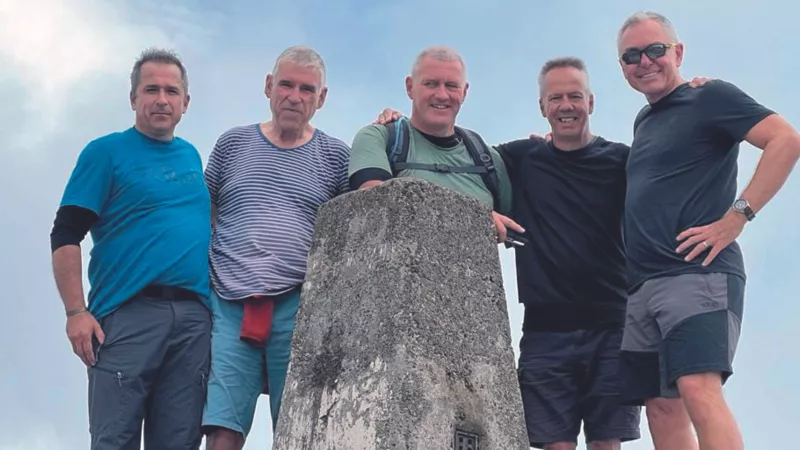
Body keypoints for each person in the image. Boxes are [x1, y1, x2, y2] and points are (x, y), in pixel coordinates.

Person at [616, 11, 800, 450]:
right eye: (631, 55)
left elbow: (786, 140)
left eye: (656, 50)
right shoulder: (645, 121)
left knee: (698, 387)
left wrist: (736, 217)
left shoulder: (710, 96)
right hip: (643, 285)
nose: (645, 61)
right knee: (661, 406)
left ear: (677, 52)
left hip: (697, 275)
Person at [50, 47, 212, 450]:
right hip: (126, 315)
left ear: (185, 103)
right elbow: (65, 233)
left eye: (172, 91)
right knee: (114, 439)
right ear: (133, 98)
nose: (162, 99)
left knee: (180, 440)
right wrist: (75, 312)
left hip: (193, 320)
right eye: (151, 89)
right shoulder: (105, 153)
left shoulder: (191, 156)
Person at [201, 45, 350, 450]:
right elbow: (203, 210)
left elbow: (356, 224)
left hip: (298, 304)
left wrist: (390, 128)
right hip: (230, 301)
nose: (294, 96)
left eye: (307, 89)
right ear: (269, 87)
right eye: (286, 84)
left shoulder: (336, 156)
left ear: (321, 98)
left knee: (297, 425)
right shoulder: (232, 144)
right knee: (222, 427)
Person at [495, 57, 642, 450]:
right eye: (555, 97)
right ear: (542, 107)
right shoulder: (521, 158)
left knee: (606, 444)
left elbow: (676, 171)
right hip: (545, 332)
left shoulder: (623, 161)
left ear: (591, 103)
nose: (565, 105)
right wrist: (394, 126)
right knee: (553, 445)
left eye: (574, 96)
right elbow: (458, 159)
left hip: (614, 327)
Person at [349, 45, 522, 242]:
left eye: (451, 85)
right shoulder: (380, 138)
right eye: (430, 84)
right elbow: (375, 202)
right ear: (409, 87)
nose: (441, 95)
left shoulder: (488, 160)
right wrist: (474, 217)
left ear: (464, 92)